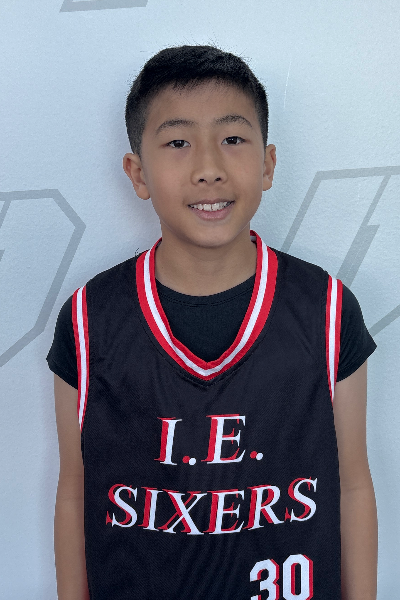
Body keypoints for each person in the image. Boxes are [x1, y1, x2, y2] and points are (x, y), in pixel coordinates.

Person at [47, 45, 378, 600]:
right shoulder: (88, 319)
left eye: (232, 139)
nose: (208, 168)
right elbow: (74, 494)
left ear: (267, 164)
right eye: (178, 143)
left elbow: (352, 486)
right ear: (138, 173)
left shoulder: (326, 309)